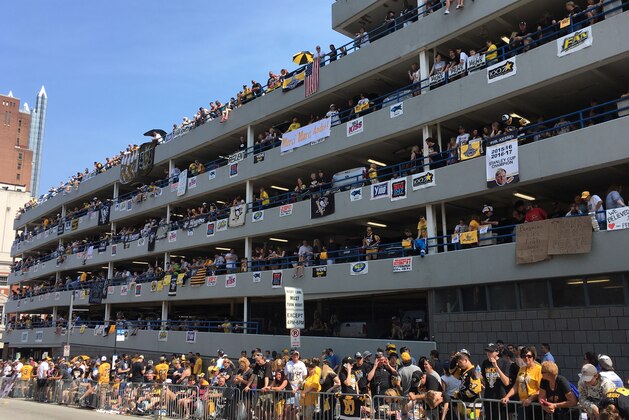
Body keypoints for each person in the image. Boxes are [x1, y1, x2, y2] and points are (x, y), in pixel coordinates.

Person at [502, 347, 542, 420]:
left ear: (533, 357)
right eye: (524, 356)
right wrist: (507, 396)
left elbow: (541, 389)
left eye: (529, 356)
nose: (526, 358)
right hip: (522, 403)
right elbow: (517, 385)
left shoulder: (539, 369)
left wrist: (530, 399)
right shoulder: (522, 369)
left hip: (534, 404)